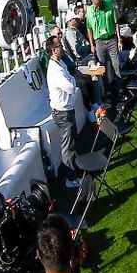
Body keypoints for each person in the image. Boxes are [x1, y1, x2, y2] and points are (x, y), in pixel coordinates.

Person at [46, 38, 85, 189]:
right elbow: (69, 86)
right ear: (54, 50)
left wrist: (71, 80)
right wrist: (72, 81)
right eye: (59, 45)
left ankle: (73, 169)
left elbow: (70, 80)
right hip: (62, 113)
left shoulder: (60, 63)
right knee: (67, 146)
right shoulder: (55, 70)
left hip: (66, 110)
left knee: (71, 142)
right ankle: (70, 178)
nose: (62, 47)